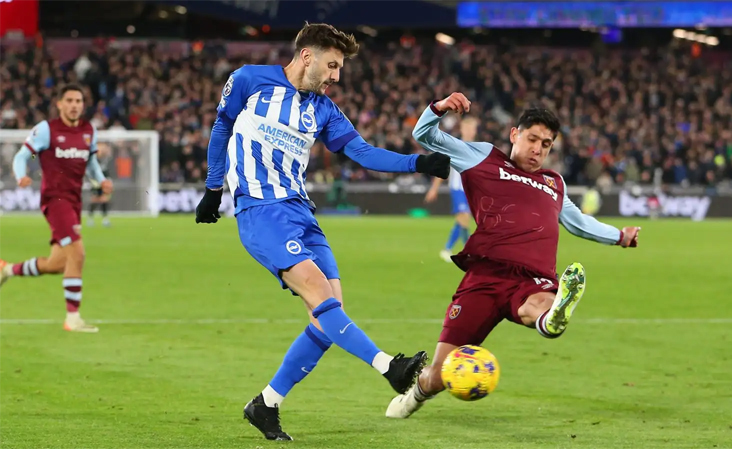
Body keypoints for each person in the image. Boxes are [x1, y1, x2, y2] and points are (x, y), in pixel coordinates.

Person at [193, 23, 451, 441]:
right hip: (261, 211)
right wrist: (212, 187)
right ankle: (390, 367)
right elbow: (222, 127)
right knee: (320, 295)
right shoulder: (249, 80)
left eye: (340, 68)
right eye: (332, 66)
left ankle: (266, 404)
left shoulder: (324, 109)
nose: (336, 76)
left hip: (301, 213)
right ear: (307, 55)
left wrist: (417, 164)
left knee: (329, 315)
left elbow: (362, 152)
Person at [385, 92, 640, 419]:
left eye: (546, 144)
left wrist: (620, 236)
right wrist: (438, 108)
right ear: (514, 135)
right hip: (485, 277)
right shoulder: (482, 157)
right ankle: (415, 396)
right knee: (441, 375)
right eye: (533, 139)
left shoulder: (554, 183)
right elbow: (424, 135)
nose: (538, 148)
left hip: (533, 279)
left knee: (540, 304)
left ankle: (553, 317)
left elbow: (579, 223)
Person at [0, 84, 113, 333]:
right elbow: (22, 156)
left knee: (59, 263)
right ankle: (73, 318)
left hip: (74, 201)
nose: (74, 105)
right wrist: (21, 175)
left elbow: (91, 162)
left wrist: (100, 179)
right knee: (78, 252)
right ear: (59, 104)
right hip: (55, 200)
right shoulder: (46, 129)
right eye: (69, 100)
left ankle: (7, 269)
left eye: (79, 101)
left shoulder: (88, 131)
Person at [424, 117, 478, 262]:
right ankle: (467, 252)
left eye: (472, 128)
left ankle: (448, 248)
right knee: (464, 217)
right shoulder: (455, 146)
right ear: (462, 129)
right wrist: (434, 188)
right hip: (457, 189)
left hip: (470, 191)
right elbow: (443, 169)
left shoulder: (476, 148)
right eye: (467, 128)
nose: (470, 131)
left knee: (462, 220)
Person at [87, 142, 112, 227]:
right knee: (94, 200)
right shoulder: (94, 159)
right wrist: (94, 182)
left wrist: (108, 180)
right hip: (95, 183)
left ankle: (105, 219)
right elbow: (90, 171)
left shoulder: (105, 159)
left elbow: (106, 171)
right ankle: (90, 218)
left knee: (104, 200)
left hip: (104, 182)